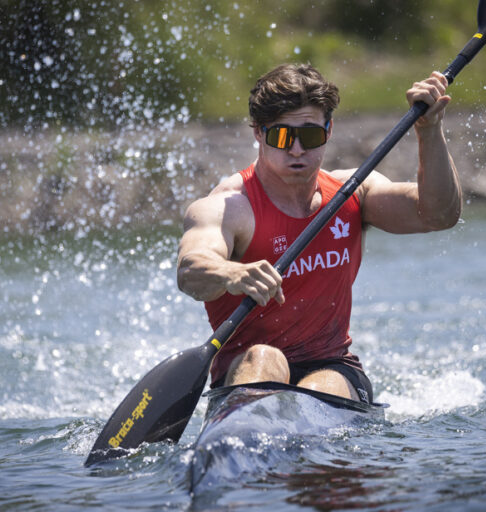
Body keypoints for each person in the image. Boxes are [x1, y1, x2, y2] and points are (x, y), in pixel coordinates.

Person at [177, 63, 461, 404]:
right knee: (266, 358)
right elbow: (191, 270)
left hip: (333, 367)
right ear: (258, 132)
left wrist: (429, 131)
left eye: (310, 136)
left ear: (328, 130)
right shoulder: (229, 206)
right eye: (281, 137)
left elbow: (440, 214)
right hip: (247, 367)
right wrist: (230, 271)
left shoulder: (353, 192)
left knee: (321, 386)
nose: (297, 150)